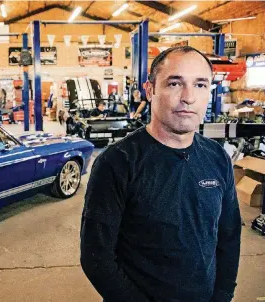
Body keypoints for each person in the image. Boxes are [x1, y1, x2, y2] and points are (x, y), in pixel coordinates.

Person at [80, 46, 241, 302]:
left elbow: (229, 236)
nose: (188, 97)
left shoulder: (217, 157)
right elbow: (96, 257)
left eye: (200, 85)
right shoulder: (117, 162)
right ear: (150, 90)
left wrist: (222, 295)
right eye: (175, 83)